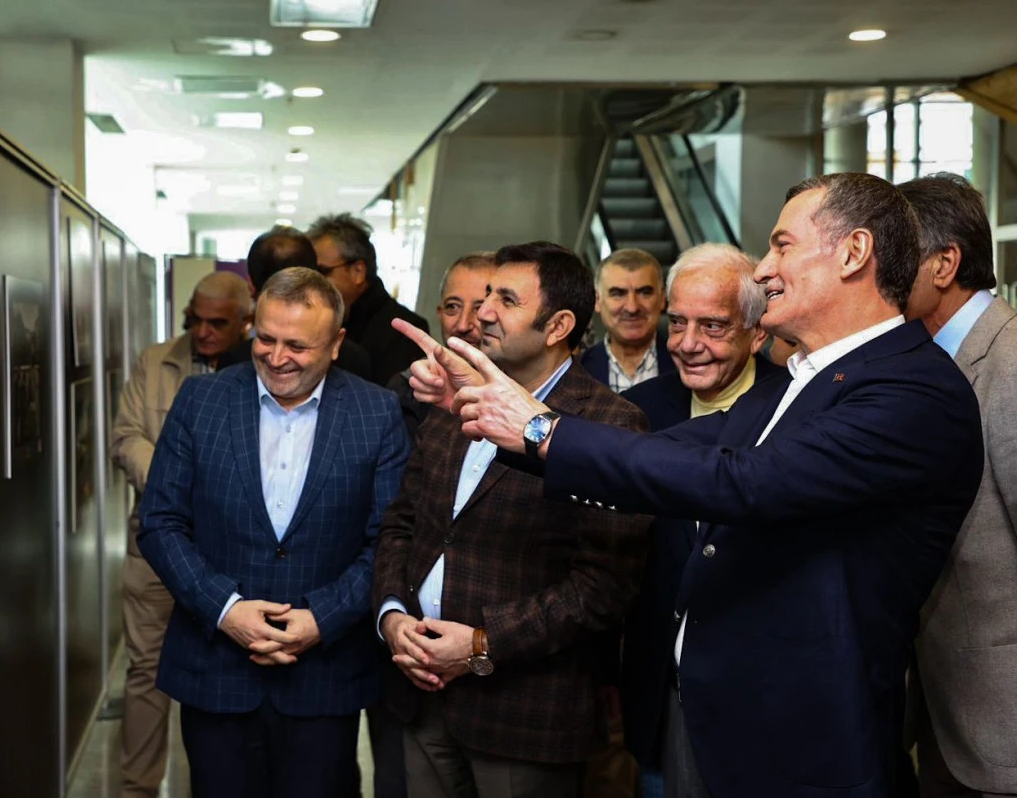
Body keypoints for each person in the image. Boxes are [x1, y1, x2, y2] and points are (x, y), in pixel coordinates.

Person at [394, 171, 985, 798]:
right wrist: (503, 414)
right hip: (710, 718)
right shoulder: (809, 378)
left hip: (799, 742)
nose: (764, 269)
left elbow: (747, 483)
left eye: (782, 246)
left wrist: (541, 429)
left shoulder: (913, 390)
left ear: (854, 252)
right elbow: (674, 449)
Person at [374, 242, 649, 797]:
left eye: (506, 299)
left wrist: (481, 643)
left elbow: (602, 587)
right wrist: (393, 616)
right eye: (484, 297)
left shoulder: (609, 425)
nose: (483, 313)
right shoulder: (458, 397)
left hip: (523, 715)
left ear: (558, 326)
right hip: (421, 692)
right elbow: (404, 523)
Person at [138, 268, 410, 798]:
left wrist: (321, 619)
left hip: (324, 677)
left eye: (297, 346)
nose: (277, 357)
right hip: (215, 671)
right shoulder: (201, 400)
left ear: (336, 344)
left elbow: (390, 539)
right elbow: (160, 522)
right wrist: (226, 609)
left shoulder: (376, 412)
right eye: (265, 338)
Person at [615, 243, 784, 798]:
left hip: (763, 692)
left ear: (757, 333)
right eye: (678, 322)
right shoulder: (636, 411)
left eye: (712, 326)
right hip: (659, 687)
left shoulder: (795, 408)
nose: (687, 344)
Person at [109, 271, 253, 798]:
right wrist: (177, 481)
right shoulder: (155, 361)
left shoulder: (261, 366)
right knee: (146, 671)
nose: (204, 332)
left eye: (219, 323)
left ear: (245, 322)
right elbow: (126, 438)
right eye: (197, 320)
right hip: (154, 544)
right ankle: (138, 788)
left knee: (224, 674)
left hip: (226, 555)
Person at [899, 173, 1017, 798]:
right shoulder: (930, 361)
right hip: (946, 712)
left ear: (944, 264)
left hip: (1003, 722)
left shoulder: (1011, 364)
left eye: (896, 254)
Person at [220, 225, 373, 380]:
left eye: (297, 347)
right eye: (267, 340)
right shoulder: (355, 356)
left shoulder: (235, 359)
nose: (276, 360)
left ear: (251, 286)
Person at [309, 212, 429, 386]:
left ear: (358, 271)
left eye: (322, 271)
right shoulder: (326, 318)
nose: (313, 281)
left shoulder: (405, 331)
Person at [387, 252, 495, 438]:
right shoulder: (408, 386)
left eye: (480, 308)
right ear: (439, 312)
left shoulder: (523, 394)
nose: (463, 325)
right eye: (452, 306)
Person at [581, 248, 671, 393]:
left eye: (644, 293)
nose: (632, 308)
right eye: (618, 294)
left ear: (662, 299)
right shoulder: (576, 372)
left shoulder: (686, 367)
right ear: (597, 300)